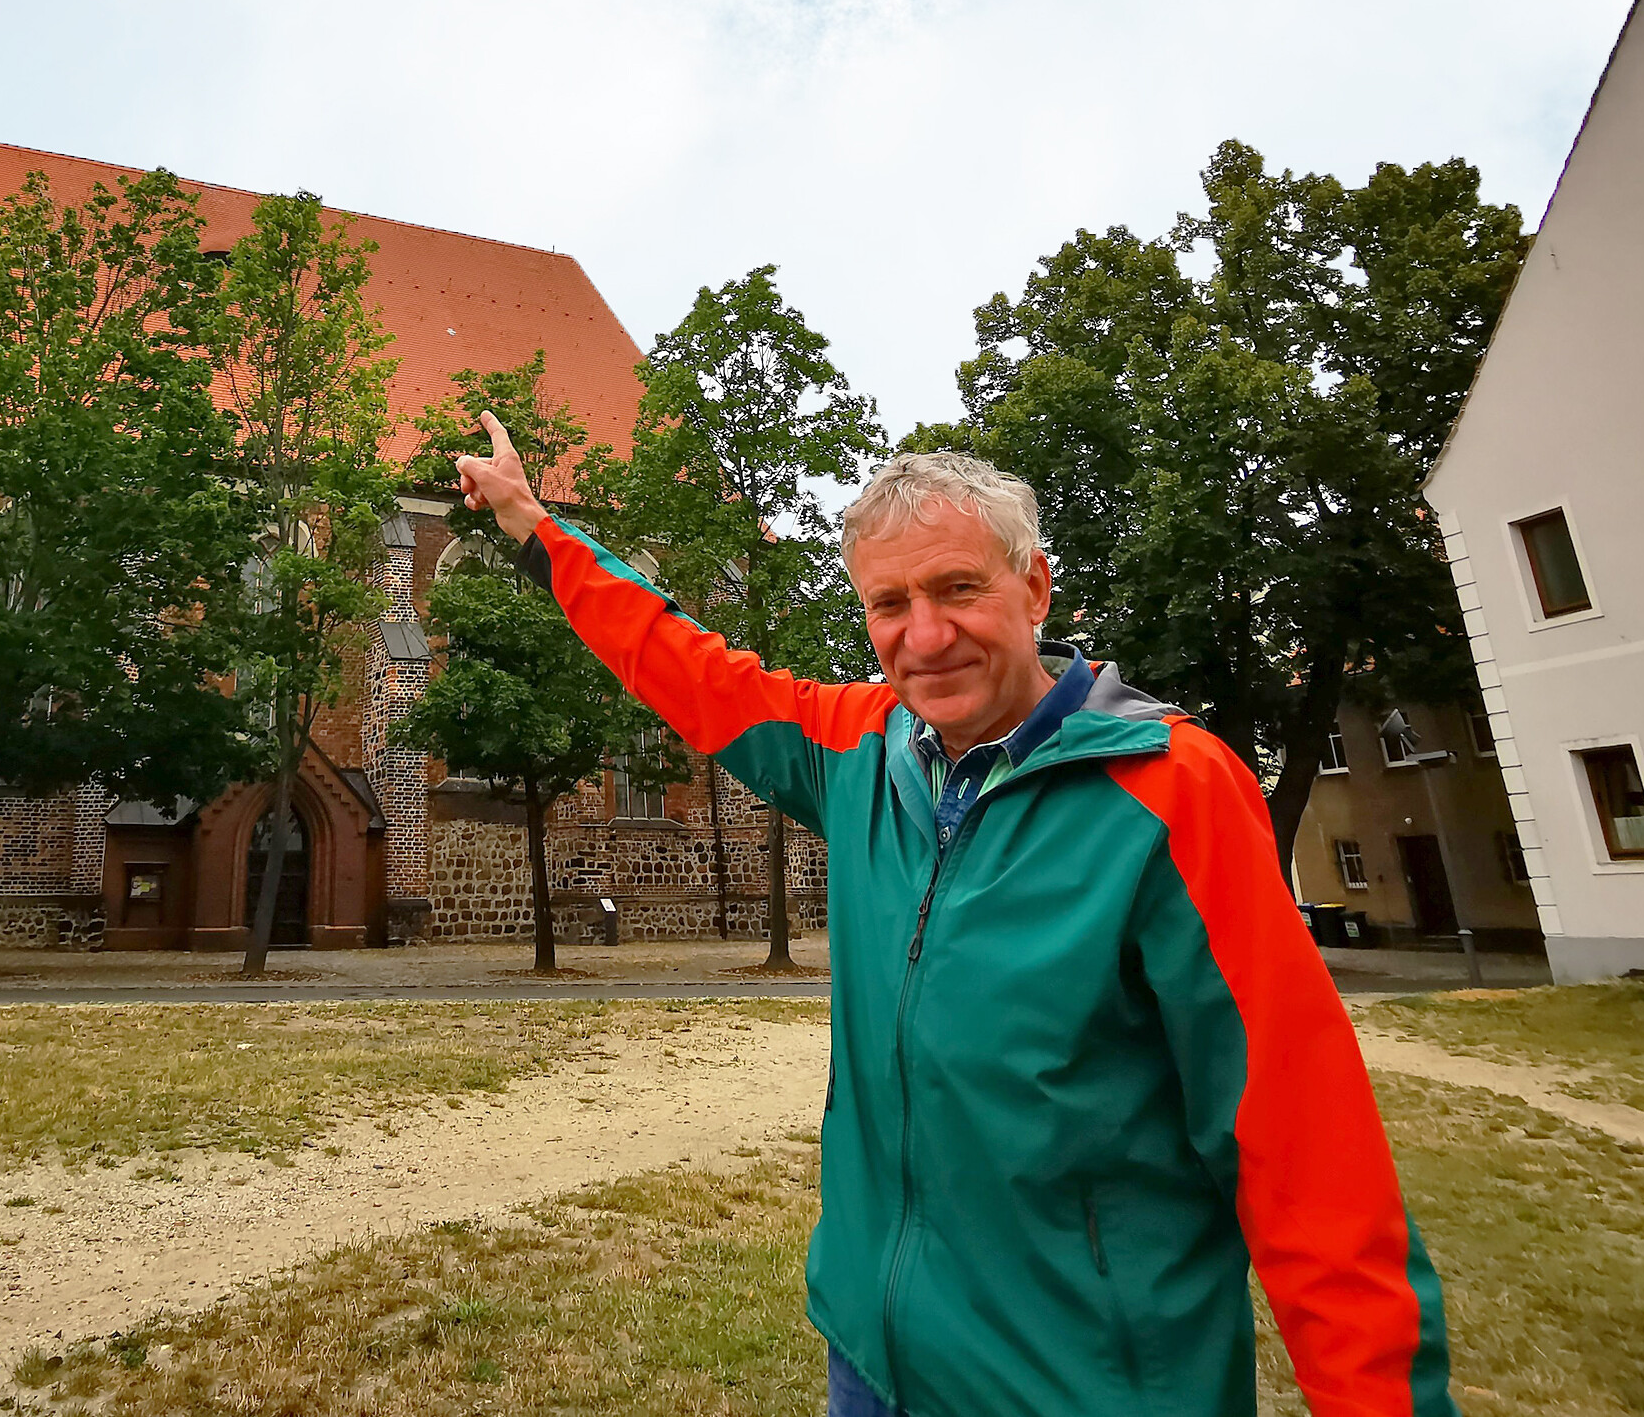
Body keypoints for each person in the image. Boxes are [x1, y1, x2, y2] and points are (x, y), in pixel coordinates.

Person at [453, 424, 1457, 1417]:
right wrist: (535, 527)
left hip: (1078, 1387)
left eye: (958, 589)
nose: (924, 635)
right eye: (889, 603)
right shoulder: (857, 749)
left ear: (1035, 587)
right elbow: (684, 663)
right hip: (875, 1359)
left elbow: (1304, 1144)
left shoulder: (1171, 792)